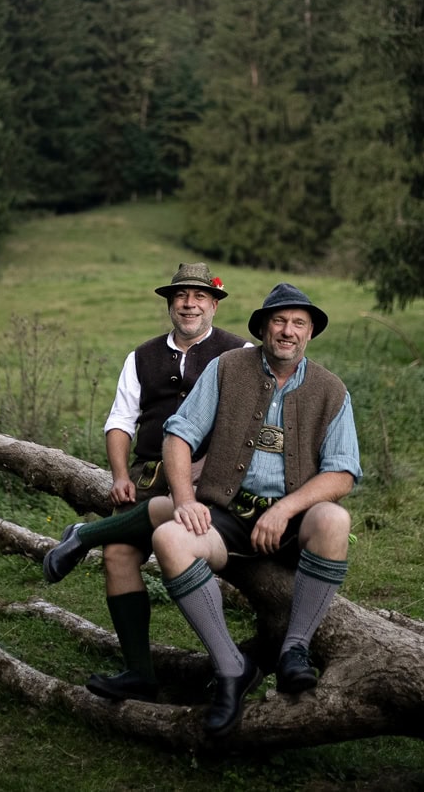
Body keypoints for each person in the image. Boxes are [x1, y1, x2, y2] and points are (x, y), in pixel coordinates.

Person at [152, 282, 361, 736]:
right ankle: (232, 668)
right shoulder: (228, 368)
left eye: (298, 323)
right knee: (168, 537)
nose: (288, 331)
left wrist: (285, 509)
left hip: (293, 523)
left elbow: (343, 473)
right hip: (226, 515)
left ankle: (295, 650)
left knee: (334, 519)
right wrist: (184, 499)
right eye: (279, 321)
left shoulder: (331, 390)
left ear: (310, 333)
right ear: (264, 328)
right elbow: (179, 434)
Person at [42, 262, 248, 703]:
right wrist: (119, 475)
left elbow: (248, 423)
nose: (189, 305)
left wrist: (205, 467)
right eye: (181, 297)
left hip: (211, 474)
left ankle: (84, 535)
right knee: (118, 554)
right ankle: (139, 673)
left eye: (199, 297)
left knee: (183, 516)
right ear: (170, 304)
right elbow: (121, 421)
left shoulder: (240, 352)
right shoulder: (141, 356)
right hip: (150, 472)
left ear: (214, 304)